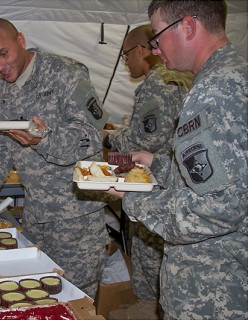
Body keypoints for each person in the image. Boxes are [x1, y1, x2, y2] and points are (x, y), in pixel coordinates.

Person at [109, 1, 247, 319]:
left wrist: (134, 197)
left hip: (212, 290)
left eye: (157, 36)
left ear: (187, 26)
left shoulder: (213, 93)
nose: (155, 49)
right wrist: (157, 165)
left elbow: (216, 210)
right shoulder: (233, 75)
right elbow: (221, 175)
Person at [0, 18, 110, 298]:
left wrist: (44, 139)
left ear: (21, 41)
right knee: (35, 298)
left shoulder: (66, 73)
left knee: (76, 302)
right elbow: (3, 149)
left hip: (76, 221)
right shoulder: (3, 90)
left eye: (3, 54)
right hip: (35, 216)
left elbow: (91, 136)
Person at [103, 24, 193, 307]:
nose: (127, 62)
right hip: (179, 187)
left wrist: (110, 137)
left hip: (154, 188)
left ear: (141, 49)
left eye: (126, 55)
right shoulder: (184, 78)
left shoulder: (155, 85)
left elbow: (145, 140)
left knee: (149, 263)